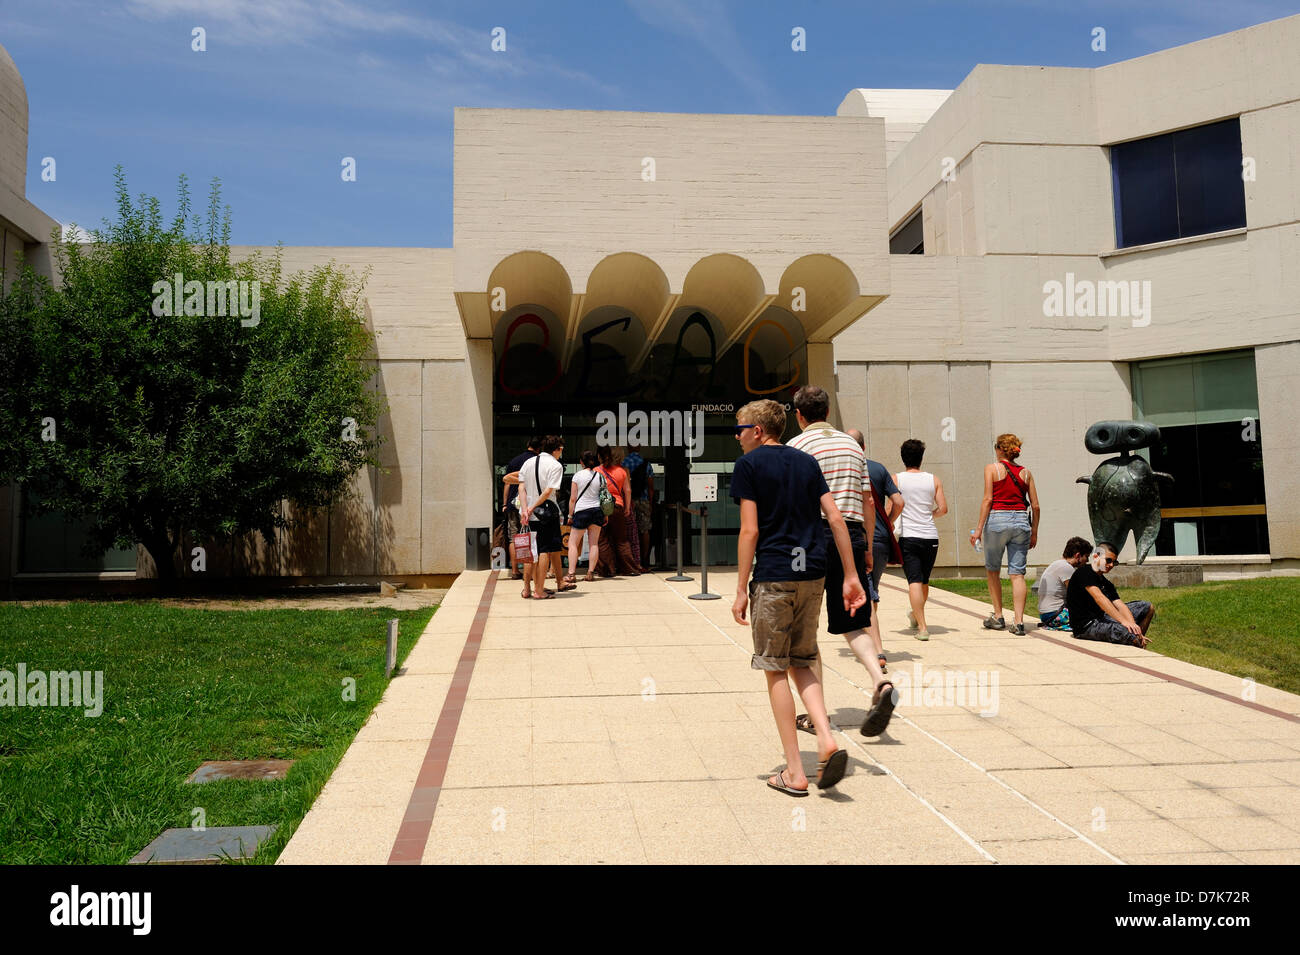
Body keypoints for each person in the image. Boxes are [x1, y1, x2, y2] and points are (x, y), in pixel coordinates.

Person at [731, 399, 867, 796]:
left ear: (757, 430)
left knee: (775, 668)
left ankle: (795, 772)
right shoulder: (806, 462)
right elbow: (837, 518)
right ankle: (824, 736)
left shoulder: (749, 466)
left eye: (739, 429)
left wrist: (740, 588)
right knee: (804, 659)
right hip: (813, 574)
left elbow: (750, 532)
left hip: (773, 577)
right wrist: (852, 576)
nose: (737, 437)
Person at [787, 387, 896, 737]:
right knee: (853, 620)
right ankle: (880, 680)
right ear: (828, 410)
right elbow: (867, 499)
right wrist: (864, 546)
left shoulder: (796, 447)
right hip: (851, 533)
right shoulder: (852, 445)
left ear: (799, 414)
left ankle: (815, 714)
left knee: (804, 628)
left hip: (811, 536)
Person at [970, 433, 1041, 635]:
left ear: (1000, 449)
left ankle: (998, 615)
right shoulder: (1026, 473)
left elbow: (987, 500)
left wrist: (978, 529)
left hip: (997, 521)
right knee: (1017, 574)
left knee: (993, 569)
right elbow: (1035, 506)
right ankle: (1018, 622)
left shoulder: (991, 469)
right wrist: (1034, 531)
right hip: (1021, 522)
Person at [848, 427, 904, 675]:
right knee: (871, 590)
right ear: (864, 446)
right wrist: (889, 521)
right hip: (882, 538)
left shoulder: (847, 467)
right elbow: (899, 501)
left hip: (861, 538)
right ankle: (871, 636)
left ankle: (877, 651)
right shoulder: (879, 468)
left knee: (868, 596)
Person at [894, 439, 947, 641]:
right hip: (930, 537)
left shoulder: (897, 479)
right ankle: (916, 615)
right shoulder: (934, 480)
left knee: (914, 581)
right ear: (921, 458)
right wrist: (929, 515)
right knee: (924, 581)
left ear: (903, 458)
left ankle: (923, 627)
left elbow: (893, 507)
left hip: (909, 536)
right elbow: (943, 509)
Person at [1065, 542, 1155, 648]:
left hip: (1101, 618)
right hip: (1086, 626)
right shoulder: (1084, 573)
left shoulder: (1105, 582)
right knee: (1125, 630)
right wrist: (1124, 622)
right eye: (1108, 560)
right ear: (1096, 556)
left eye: (1114, 562)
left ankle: (1137, 639)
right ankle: (1136, 643)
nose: (1111, 565)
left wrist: (1133, 625)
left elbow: (1120, 605)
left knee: (1147, 607)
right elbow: (1100, 599)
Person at [517, 435, 571, 599]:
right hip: (546, 514)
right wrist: (533, 507)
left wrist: (526, 509)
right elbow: (548, 491)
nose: (561, 453)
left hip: (528, 514)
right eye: (561, 449)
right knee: (544, 551)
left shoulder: (528, 462)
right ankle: (539, 591)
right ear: (557, 449)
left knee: (529, 552)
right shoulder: (555, 465)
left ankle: (527, 589)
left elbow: (521, 487)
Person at [593, 445, 639, 577]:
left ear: (600, 457)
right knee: (622, 540)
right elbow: (628, 490)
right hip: (618, 506)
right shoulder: (621, 471)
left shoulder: (596, 471)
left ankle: (606, 569)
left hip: (601, 507)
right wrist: (627, 507)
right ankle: (629, 568)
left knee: (602, 540)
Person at [501, 436, 541, 579]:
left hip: (513, 504)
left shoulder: (514, 461)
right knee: (530, 537)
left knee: (514, 537)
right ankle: (530, 571)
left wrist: (505, 504)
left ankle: (515, 570)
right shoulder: (536, 462)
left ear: (528, 445)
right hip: (529, 504)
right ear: (539, 448)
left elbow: (507, 484)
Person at [565, 450, 606, 584]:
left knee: (572, 543)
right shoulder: (600, 476)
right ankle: (590, 573)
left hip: (581, 511)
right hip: (597, 510)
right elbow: (604, 497)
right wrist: (605, 514)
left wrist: (570, 515)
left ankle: (571, 574)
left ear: (581, 462)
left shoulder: (577, 476)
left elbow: (573, 498)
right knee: (594, 543)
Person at [1035, 536, 1092, 629]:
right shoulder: (1067, 568)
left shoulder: (1058, 564)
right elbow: (1078, 596)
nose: (1087, 561)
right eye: (1086, 556)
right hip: (1054, 615)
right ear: (1078, 555)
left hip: (1047, 615)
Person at [623, 442, 655, 572]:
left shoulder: (623, 463)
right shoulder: (646, 463)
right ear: (639, 447)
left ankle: (631, 561)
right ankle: (644, 560)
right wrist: (650, 503)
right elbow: (651, 487)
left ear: (628, 447)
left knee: (629, 531)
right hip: (643, 500)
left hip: (629, 501)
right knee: (645, 530)